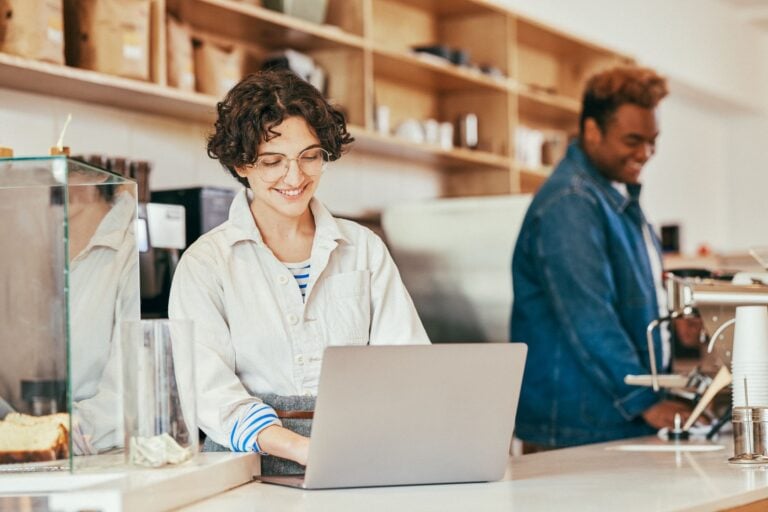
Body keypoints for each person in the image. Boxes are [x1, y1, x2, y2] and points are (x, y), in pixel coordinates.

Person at [168, 69, 430, 468]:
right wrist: (302, 448)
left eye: (309, 157)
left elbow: (408, 362)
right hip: (246, 465)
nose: (295, 177)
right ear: (241, 163)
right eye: (273, 161)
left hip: (354, 453)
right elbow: (208, 389)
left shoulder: (363, 249)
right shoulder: (206, 263)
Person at [510, 66, 691, 449]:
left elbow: (634, 302)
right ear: (592, 131)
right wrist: (646, 401)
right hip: (578, 427)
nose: (645, 153)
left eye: (652, 141)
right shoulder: (570, 203)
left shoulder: (615, 197)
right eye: (632, 140)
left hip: (608, 421)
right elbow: (590, 316)